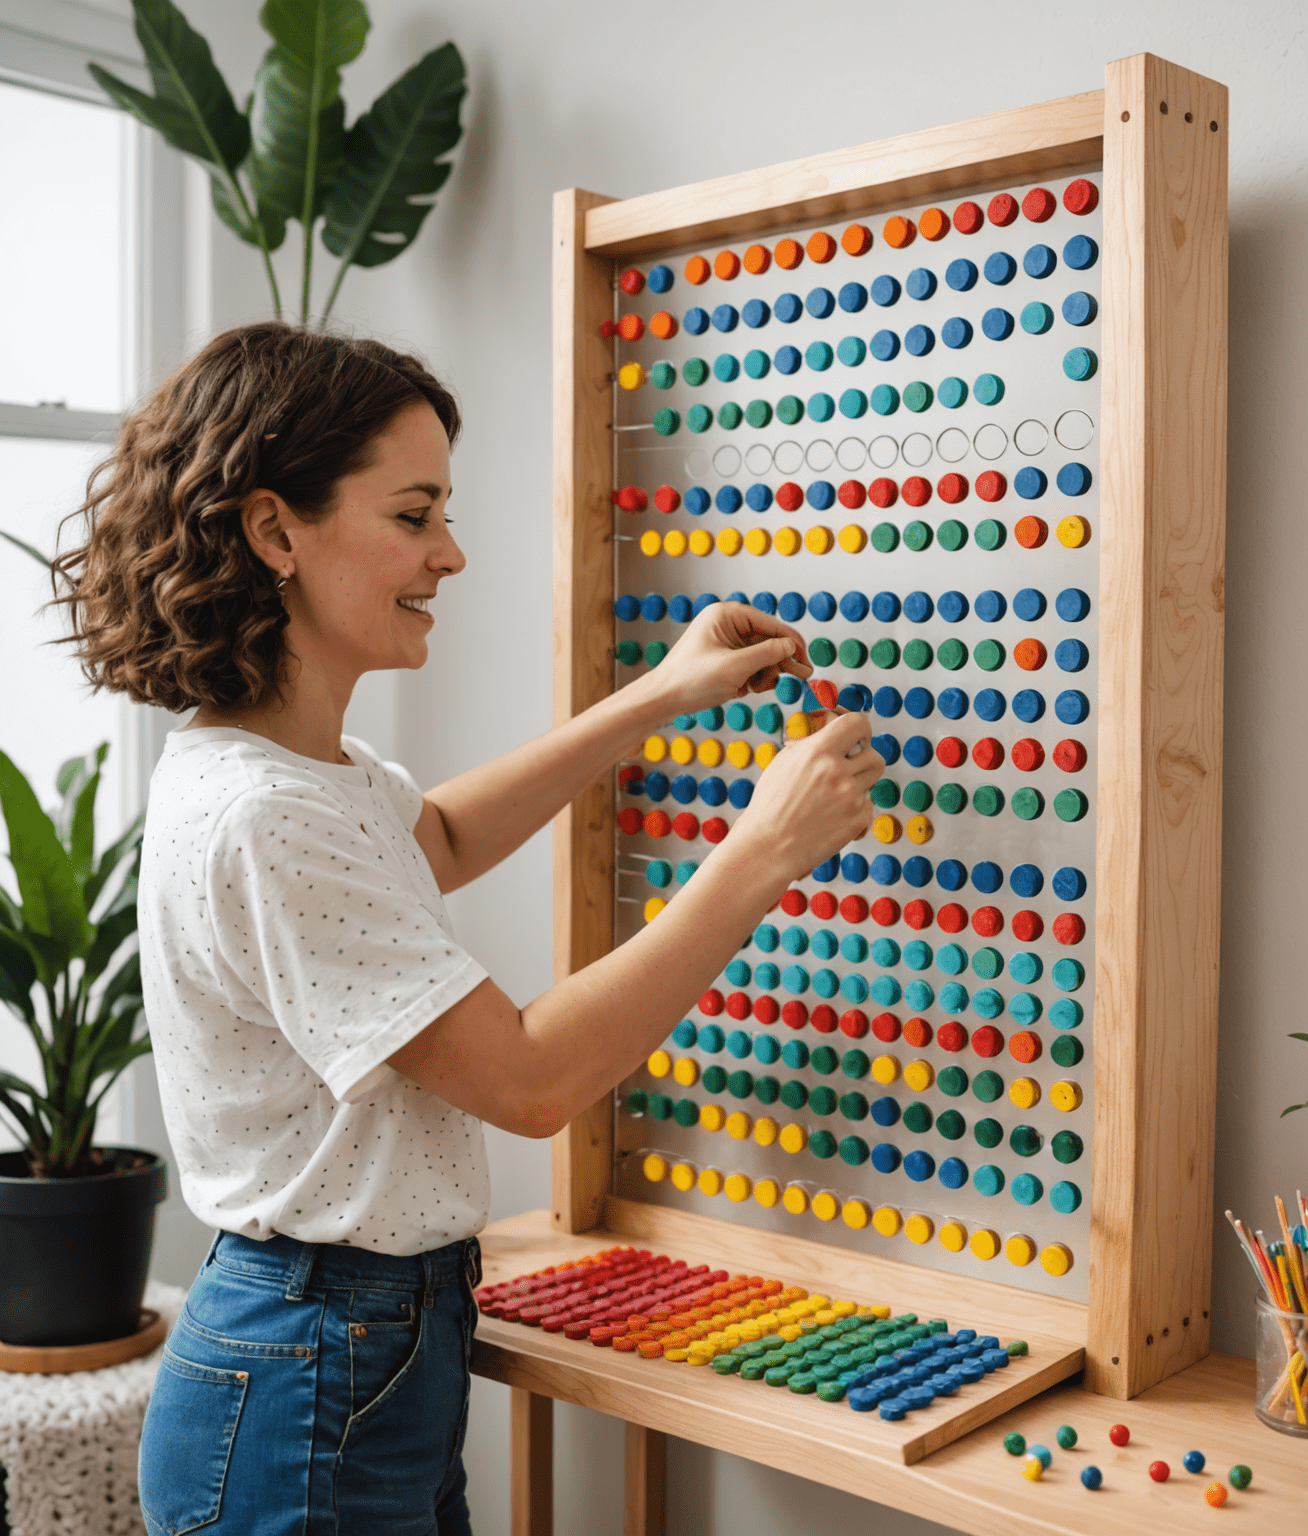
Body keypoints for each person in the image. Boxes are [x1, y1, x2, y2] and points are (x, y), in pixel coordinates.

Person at [54, 321, 879, 1535]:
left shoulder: (290, 771)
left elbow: (431, 839)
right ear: (277, 530)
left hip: (356, 1351)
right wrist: (763, 852)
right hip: (312, 1373)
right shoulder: (267, 815)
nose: (451, 552)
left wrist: (657, 695)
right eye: (413, 514)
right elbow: (534, 1077)